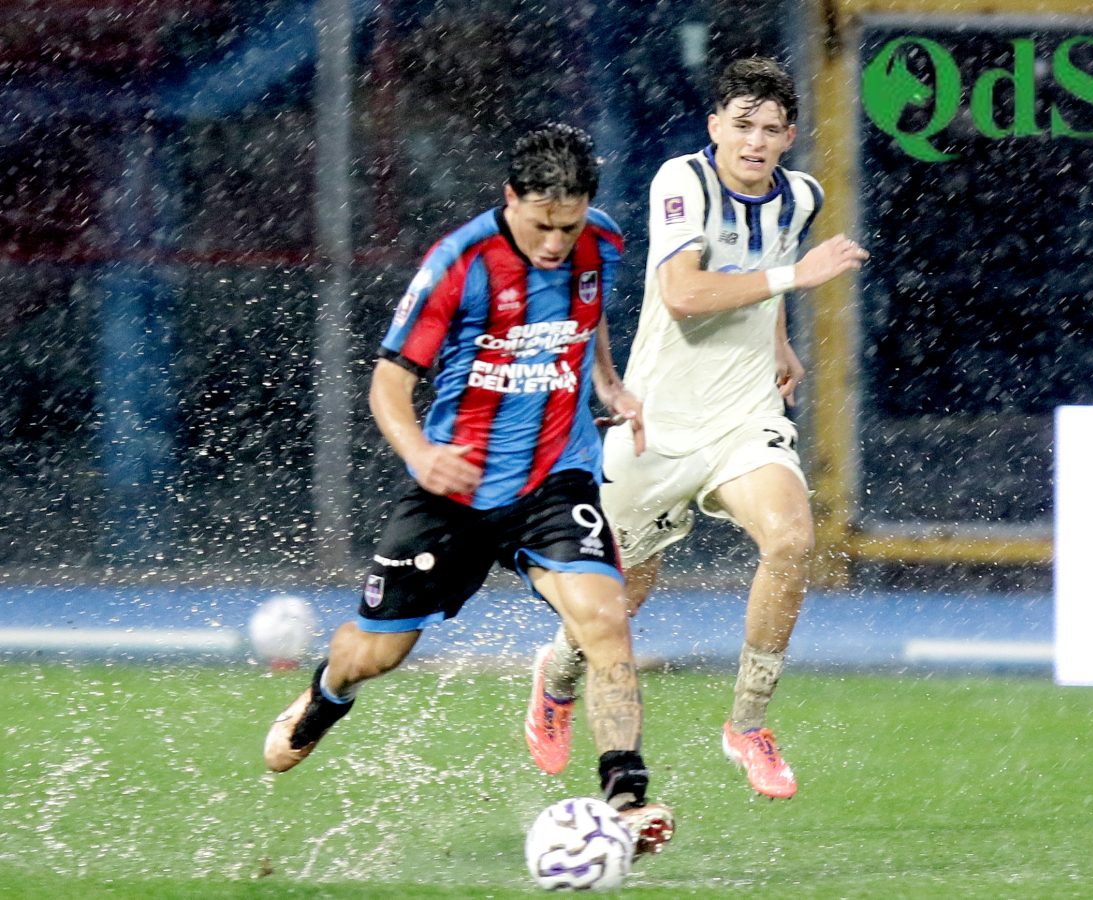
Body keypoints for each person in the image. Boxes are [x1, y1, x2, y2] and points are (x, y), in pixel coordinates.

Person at [264, 123, 673, 856]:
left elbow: (589, 316)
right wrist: (420, 453)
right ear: (510, 198)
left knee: (605, 619)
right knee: (376, 655)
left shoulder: (602, 242)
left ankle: (625, 798)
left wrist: (608, 383)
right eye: (542, 225)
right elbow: (388, 383)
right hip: (455, 486)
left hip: (556, 479)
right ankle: (327, 692)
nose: (556, 243)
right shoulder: (459, 264)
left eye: (570, 225)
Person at [524, 59, 869, 798]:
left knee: (791, 540)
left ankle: (748, 724)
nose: (755, 141)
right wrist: (796, 280)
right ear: (715, 126)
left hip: (744, 416)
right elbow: (682, 293)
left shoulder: (800, 197)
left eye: (771, 129)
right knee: (616, 603)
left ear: (789, 137)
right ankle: (555, 678)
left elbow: (768, 266)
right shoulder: (683, 181)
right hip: (658, 423)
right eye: (742, 125)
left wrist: (778, 339)